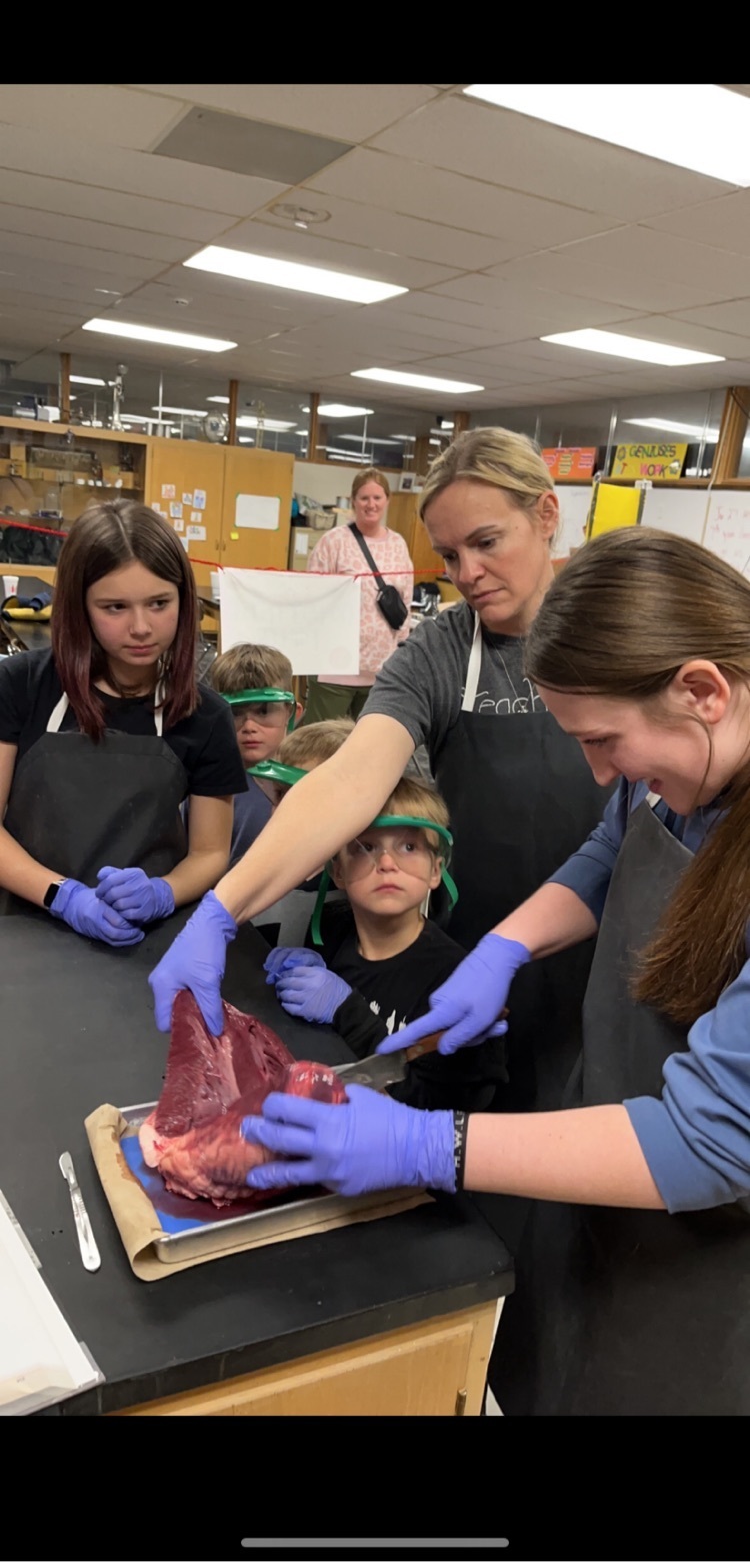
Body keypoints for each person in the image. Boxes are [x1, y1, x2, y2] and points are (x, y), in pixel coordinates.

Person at [239, 526, 750, 1416]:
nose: (600, 775)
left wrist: (425, 1145)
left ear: (701, 690)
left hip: (708, 1241)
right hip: (607, 1156)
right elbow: (610, 846)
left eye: (605, 741)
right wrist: (501, 947)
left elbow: (710, 1142)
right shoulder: (688, 764)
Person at [150, 428, 608, 1131]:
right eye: (450, 555)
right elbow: (350, 780)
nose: (468, 571)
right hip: (466, 961)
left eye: (487, 542)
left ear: (546, 516)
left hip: (598, 946)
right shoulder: (440, 650)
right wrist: (223, 911)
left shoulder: (614, 626)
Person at [0, 499, 246, 945]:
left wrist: (163, 893)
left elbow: (210, 853)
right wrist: (63, 896)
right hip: (23, 929)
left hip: (143, 940)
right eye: (114, 607)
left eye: (158, 603)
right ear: (79, 606)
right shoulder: (20, 686)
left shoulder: (206, 717)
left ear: (184, 600)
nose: (141, 627)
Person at [266, 776, 502, 1112]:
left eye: (409, 847)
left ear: (436, 871)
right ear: (338, 871)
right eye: (366, 847)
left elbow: (441, 1109)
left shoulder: (457, 981)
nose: (387, 864)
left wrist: (347, 1011)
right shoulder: (332, 937)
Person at [302, 468, 413, 724]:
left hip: (381, 668)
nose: (371, 504)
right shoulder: (333, 542)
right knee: (321, 743)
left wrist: (400, 655)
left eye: (377, 498)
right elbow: (312, 596)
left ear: (387, 500)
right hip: (336, 666)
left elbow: (405, 601)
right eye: (364, 498)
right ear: (353, 501)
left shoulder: (398, 544)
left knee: (365, 744)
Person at [250, 716, 355, 948]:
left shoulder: (360, 896)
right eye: (279, 794)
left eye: (303, 797)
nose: (283, 811)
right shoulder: (248, 874)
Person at [206, 643, 301, 868]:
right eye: (235, 713)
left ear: (292, 714)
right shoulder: (208, 790)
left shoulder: (314, 781)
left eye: (263, 711)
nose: (249, 726)